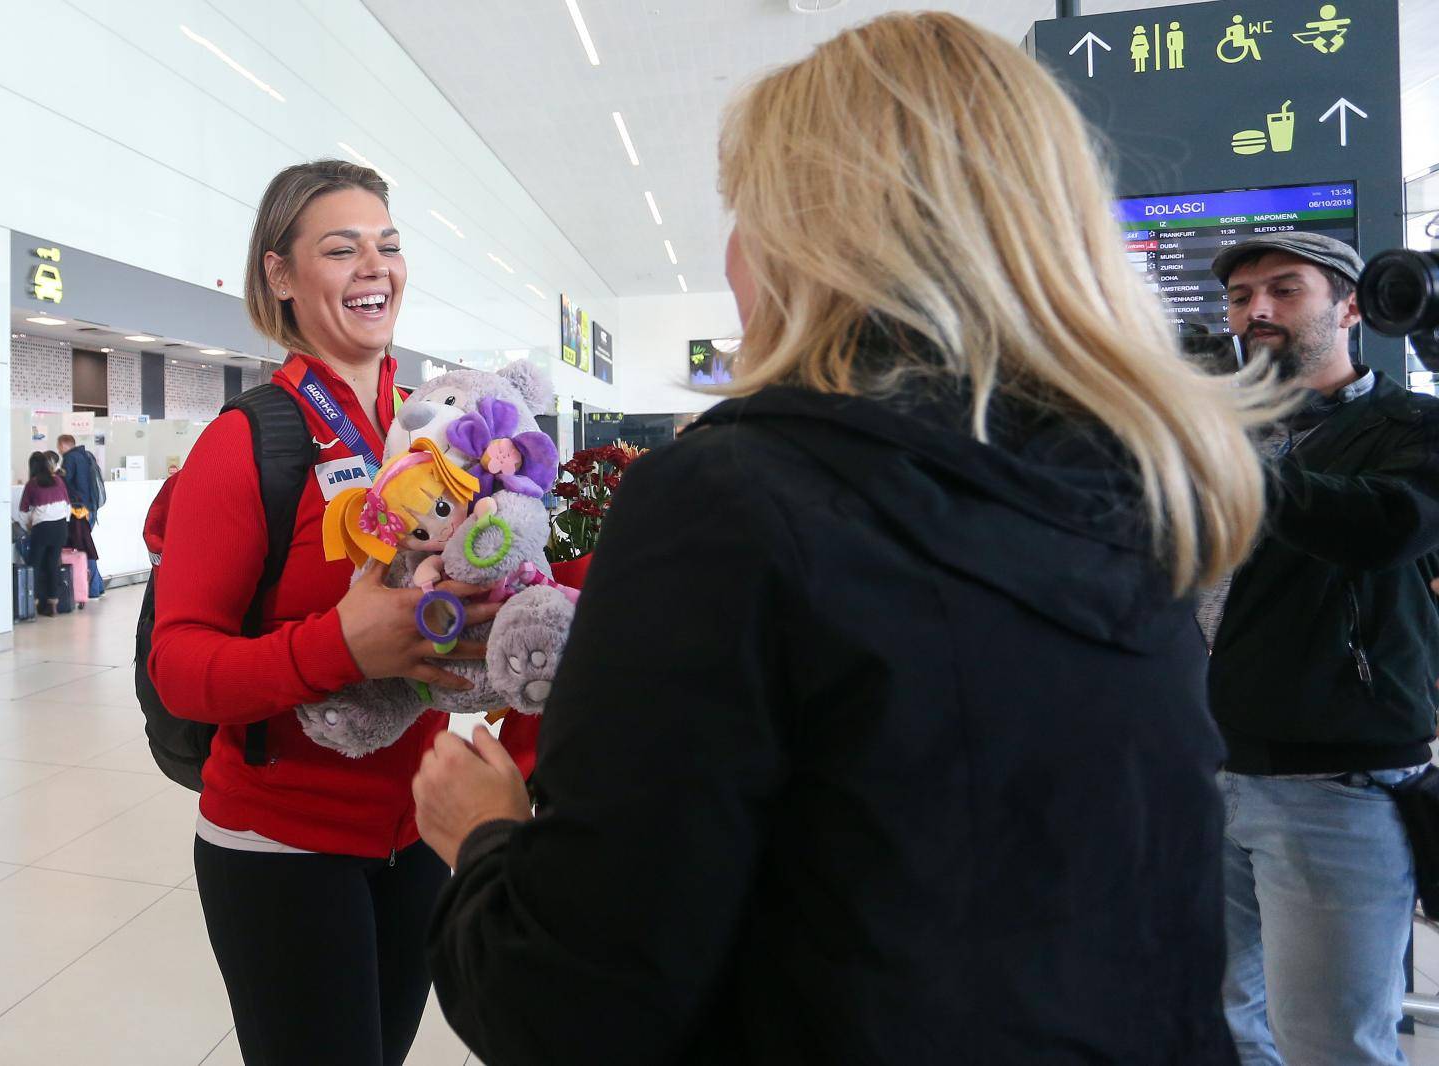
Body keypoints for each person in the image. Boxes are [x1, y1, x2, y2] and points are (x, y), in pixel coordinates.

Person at [413, 12, 1279, 1065]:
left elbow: (569, 1004)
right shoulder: (1144, 497)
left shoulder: (729, 503)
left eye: (744, 217)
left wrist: (486, 839)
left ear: (805, 241)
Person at [148, 159, 538, 1066]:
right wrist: (341, 646)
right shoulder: (247, 441)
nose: (376, 266)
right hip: (280, 846)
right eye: (341, 248)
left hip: (419, 832)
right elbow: (181, 668)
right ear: (280, 277)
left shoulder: (435, 432)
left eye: (389, 246)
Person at [1205, 232, 1439, 1066]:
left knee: (1334, 1042)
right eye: (1239, 297)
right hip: (1205, 769)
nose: (1255, 309)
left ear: (1350, 306)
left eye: (1283, 289)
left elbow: (1382, 527)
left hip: (1337, 784)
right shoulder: (1219, 426)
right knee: (1221, 1027)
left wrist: (1226, 452)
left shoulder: (1413, 424)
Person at [18, 450, 73, 617]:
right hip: (60, 528)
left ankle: (32, 605)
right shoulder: (58, 480)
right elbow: (67, 506)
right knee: (52, 565)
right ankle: (53, 605)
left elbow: (23, 510)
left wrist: (28, 525)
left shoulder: (32, 484)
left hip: (42, 529)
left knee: (34, 565)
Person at [57, 433, 105, 597]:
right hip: (90, 508)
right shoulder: (85, 456)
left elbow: (63, 482)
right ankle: (98, 587)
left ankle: (93, 590)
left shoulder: (69, 458)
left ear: (63, 445)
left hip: (79, 510)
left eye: (59, 447)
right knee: (87, 547)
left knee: (85, 549)